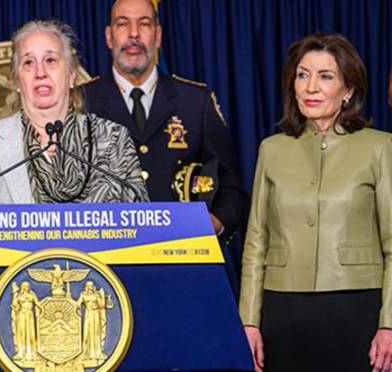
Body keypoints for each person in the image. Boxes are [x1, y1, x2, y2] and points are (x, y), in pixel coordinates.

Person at [239, 33, 392, 372]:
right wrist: (248, 321)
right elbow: (256, 243)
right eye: (302, 75)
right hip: (282, 312)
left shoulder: (380, 148)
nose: (311, 88)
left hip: (358, 308)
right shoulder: (272, 149)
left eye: (325, 76)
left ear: (348, 88)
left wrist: (390, 324)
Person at [83, 0, 246, 245]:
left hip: (181, 256)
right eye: (123, 24)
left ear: (157, 36)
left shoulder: (195, 102)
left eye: (144, 24)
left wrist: (217, 222)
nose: (134, 34)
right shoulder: (81, 103)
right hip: (105, 261)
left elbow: (231, 187)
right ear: (109, 37)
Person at [0, 19, 149, 204]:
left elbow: (143, 223)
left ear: (71, 75)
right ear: (16, 80)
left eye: (50, 60)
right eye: (28, 63)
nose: (40, 72)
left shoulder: (113, 140)